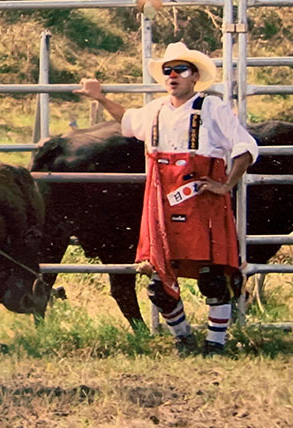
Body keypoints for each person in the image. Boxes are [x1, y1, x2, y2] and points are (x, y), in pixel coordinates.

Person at [74, 42, 257, 355]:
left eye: (180, 70)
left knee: (211, 277)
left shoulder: (212, 108)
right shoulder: (155, 110)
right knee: (158, 280)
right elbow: (128, 122)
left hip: (202, 200)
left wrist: (226, 185)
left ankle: (216, 344)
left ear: (194, 76)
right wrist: (100, 96)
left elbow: (245, 147)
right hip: (160, 200)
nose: (173, 76)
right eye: (168, 70)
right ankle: (183, 338)